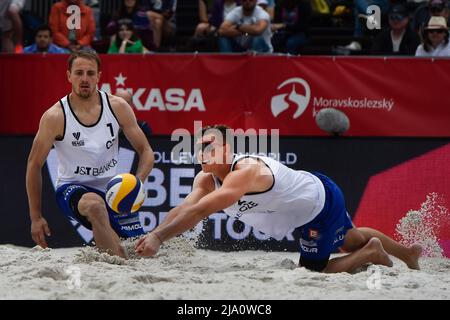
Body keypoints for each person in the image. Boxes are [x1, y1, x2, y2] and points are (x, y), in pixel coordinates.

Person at [135, 125, 423, 273]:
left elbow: (199, 211)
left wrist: (159, 239)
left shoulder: (244, 171)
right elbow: (186, 207)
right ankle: (406, 254)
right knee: (351, 238)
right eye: (199, 147)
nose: (202, 153)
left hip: (316, 208)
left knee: (314, 272)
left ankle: (372, 253)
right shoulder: (205, 178)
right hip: (312, 193)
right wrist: (154, 234)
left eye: (210, 147)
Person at [26, 51, 155, 258]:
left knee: (142, 252)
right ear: (69, 76)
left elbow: (146, 151)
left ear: (98, 76)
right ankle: (117, 268)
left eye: (90, 73)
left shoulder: (117, 107)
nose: (84, 79)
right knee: (95, 207)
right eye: (78, 73)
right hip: (72, 187)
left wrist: (136, 183)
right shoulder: (55, 117)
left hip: (113, 189)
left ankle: (116, 255)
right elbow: (34, 164)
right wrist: (35, 217)